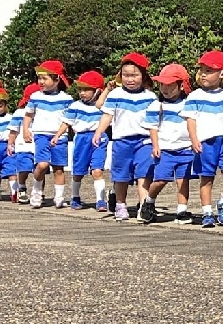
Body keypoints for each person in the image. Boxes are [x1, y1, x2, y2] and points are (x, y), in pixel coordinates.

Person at [185, 49, 223, 228]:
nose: (203, 74)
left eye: (209, 71)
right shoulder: (195, 96)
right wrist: (194, 139)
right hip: (205, 143)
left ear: (222, 74)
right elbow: (190, 120)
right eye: (202, 70)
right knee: (206, 178)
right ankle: (207, 212)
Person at [96, 53, 156, 223]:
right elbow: (107, 116)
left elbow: (155, 121)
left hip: (144, 141)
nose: (130, 79)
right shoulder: (115, 95)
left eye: (134, 75)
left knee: (144, 173)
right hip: (122, 141)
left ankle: (144, 206)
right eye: (126, 75)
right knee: (121, 175)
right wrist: (99, 132)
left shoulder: (150, 97)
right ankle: (120, 204)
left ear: (143, 76)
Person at [143, 63, 197, 224]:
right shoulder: (157, 105)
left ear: (182, 85)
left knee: (183, 180)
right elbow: (152, 127)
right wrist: (155, 145)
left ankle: (182, 210)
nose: (165, 89)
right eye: (162, 85)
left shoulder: (189, 104)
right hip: (165, 149)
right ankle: (149, 201)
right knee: (160, 179)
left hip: (186, 148)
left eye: (169, 85)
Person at [19, 61, 74, 209]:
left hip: (59, 137)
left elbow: (69, 120)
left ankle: (59, 197)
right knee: (42, 165)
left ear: (56, 80)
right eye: (39, 78)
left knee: (58, 168)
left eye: (45, 78)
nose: (41, 82)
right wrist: (25, 130)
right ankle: (36, 191)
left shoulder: (66, 99)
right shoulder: (35, 96)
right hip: (41, 135)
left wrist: (67, 133)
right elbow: (28, 115)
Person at [63, 70, 110, 211]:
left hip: (99, 138)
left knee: (97, 170)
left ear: (97, 91)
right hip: (81, 139)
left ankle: (101, 200)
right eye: (80, 89)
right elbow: (66, 122)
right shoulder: (75, 106)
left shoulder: (104, 106)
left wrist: (108, 90)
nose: (82, 93)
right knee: (78, 172)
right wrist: (57, 135)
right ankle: (75, 197)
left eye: (86, 90)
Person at [4, 83, 39, 204]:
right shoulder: (20, 112)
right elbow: (13, 130)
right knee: (23, 169)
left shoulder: (43, 112)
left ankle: (38, 191)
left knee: (40, 170)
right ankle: (22, 188)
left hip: (39, 146)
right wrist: (10, 143)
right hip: (23, 146)